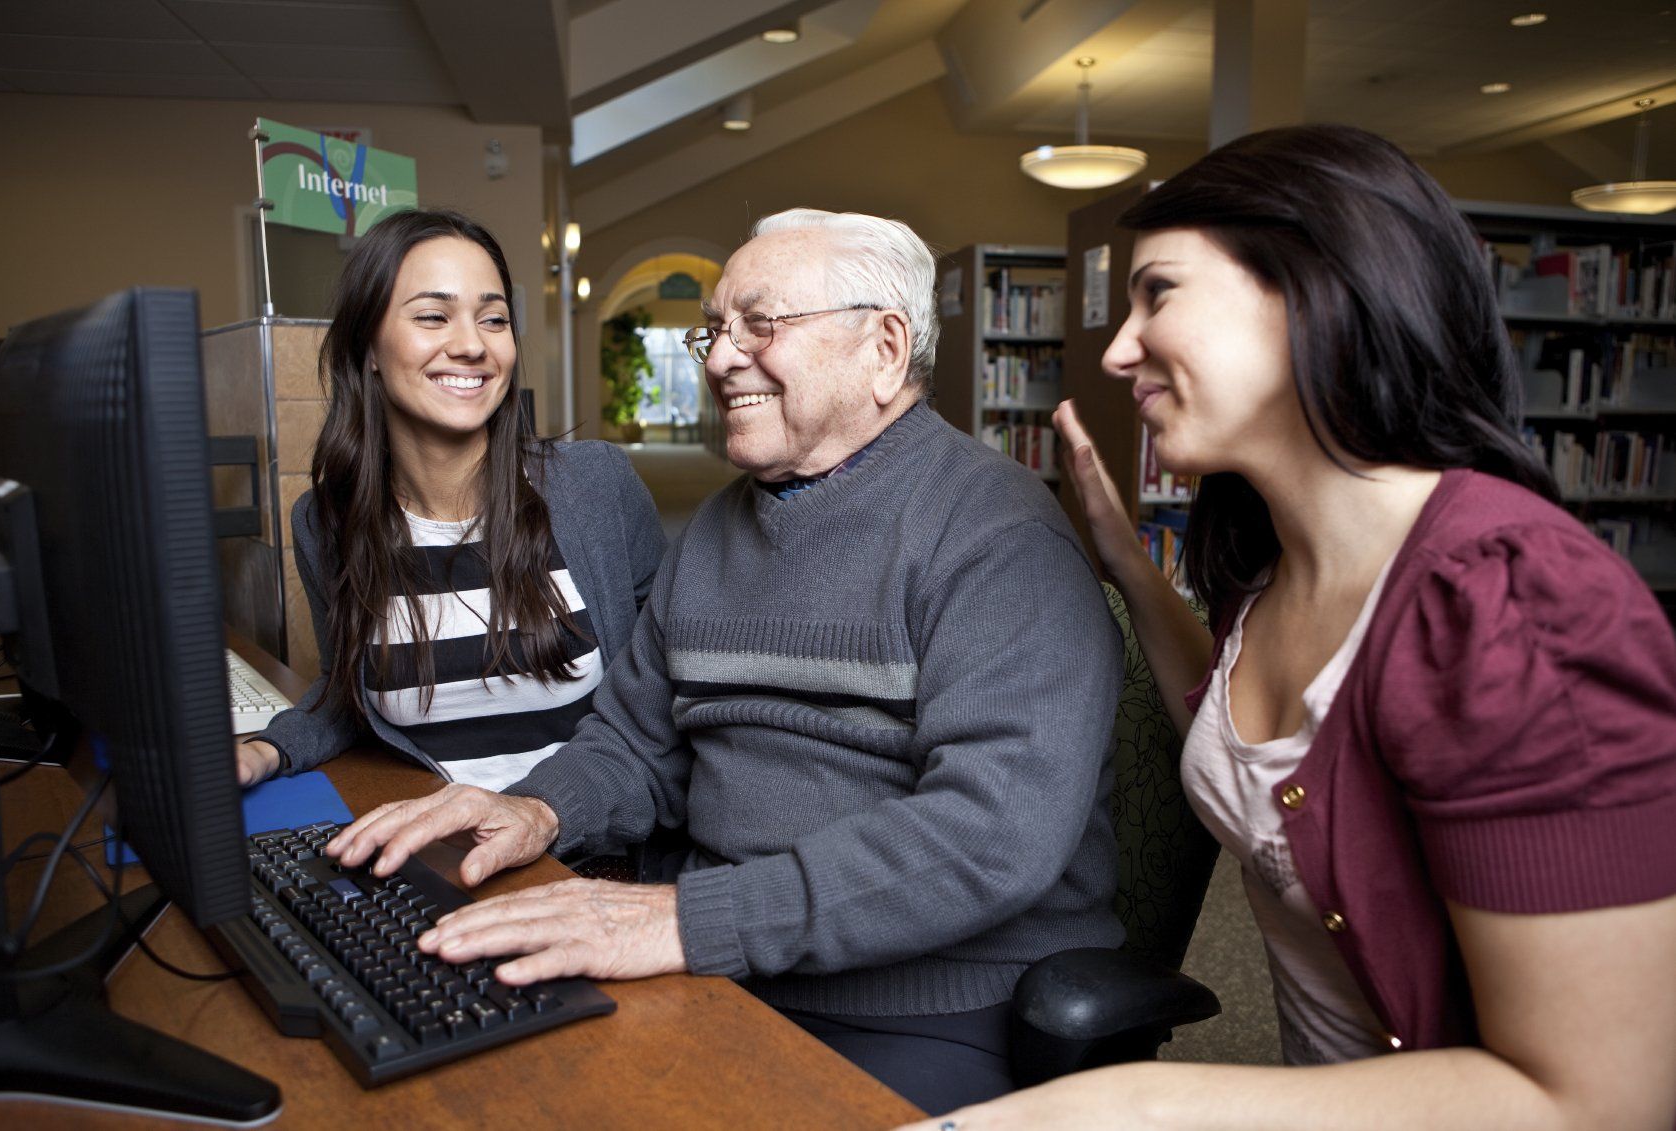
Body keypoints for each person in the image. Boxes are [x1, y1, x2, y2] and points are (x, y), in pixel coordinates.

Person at [905, 125, 1676, 1131]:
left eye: (1160, 293)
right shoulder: (1271, 558)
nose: (1117, 348)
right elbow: (1240, 741)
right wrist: (1131, 567)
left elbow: (1599, 1101)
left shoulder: (1510, 604)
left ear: (1316, 289)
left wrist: (1128, 1107)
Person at [324, 208, 1126, 1115]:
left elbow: (990, 834)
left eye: (762, 325)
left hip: (929, 1003)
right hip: (724, 961)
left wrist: (688, 919)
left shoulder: (995, 535)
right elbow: (635, 741)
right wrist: (539, 808)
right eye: (717, 329)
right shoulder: (714, 530)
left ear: (885, 348)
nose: (716, 358)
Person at [235, 208, 666, 794]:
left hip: (579, 847)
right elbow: (346, 693)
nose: (471, 346)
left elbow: (663, 689)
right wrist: (266, 750)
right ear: (368, 348)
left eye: (493, 319)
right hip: (434, 847)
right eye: (434, 316)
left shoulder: (596, 488)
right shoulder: (327, 522)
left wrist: (540, 814)